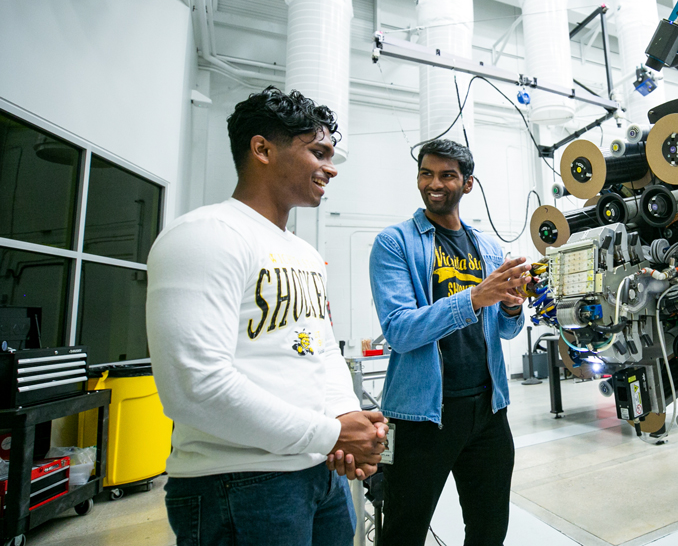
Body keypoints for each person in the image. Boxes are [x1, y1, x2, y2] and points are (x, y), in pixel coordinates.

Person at [146, 86, 387, 546]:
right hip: (239, 483)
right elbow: (194, 387)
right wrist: (332, 433)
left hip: (321, 476)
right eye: (318, 152)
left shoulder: (306, 254)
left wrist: (349, 419)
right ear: (262, 148)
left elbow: (321, 353)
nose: (331, 168)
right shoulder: (205, 235)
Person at [368, 138, 531, 546]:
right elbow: (401, 331)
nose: (434, 183)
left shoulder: (488, 248)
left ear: (468, 184)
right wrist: (476, 297)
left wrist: (511, 306)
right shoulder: (395, 243)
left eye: (446, 175)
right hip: (422, 415)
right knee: (404, 531)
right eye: (426, 173)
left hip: (489, 410)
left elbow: (506, 332)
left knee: (489, 527)